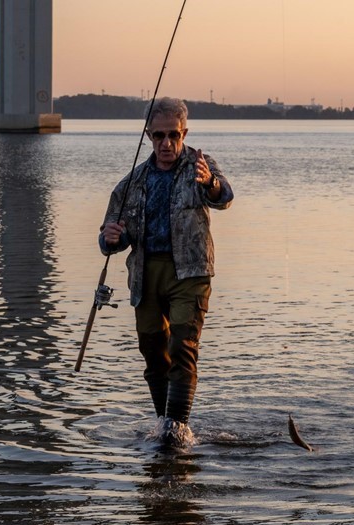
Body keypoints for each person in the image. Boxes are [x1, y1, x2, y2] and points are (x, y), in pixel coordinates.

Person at [98, 97, 234, 446]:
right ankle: (164, 426)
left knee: (183, 346)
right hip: (146, 274)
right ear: (149, 136)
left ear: (184, 132)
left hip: (191, 272)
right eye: (159, 136)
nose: (167, 143)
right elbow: (112, 237)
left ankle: (177, 430)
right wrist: (111, 236)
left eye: (173, 135)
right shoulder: (133, 181)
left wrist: (210, 184)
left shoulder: (200, 166)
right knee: (152, 351)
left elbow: (225, 197)